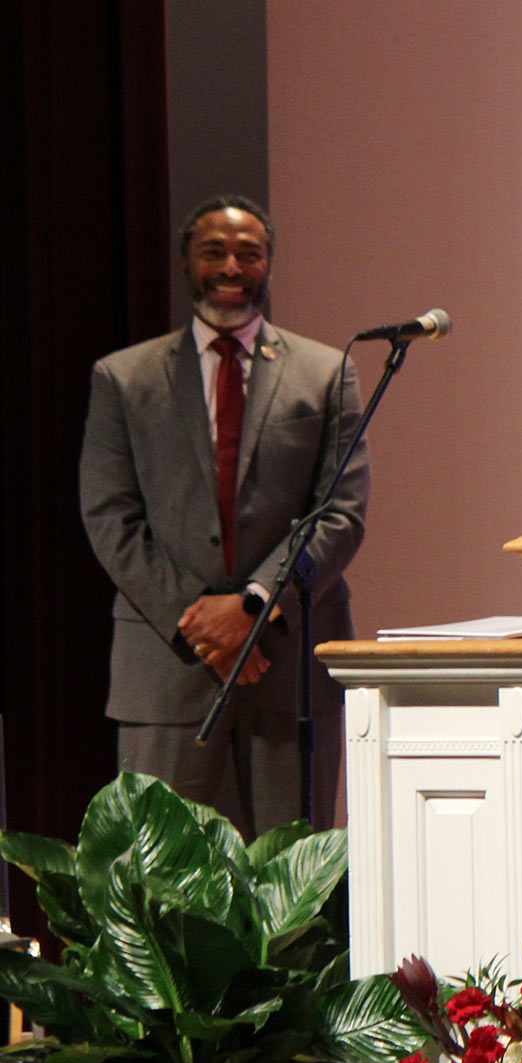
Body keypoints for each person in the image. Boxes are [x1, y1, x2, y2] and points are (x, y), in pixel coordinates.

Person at [78, 194, 369, 838]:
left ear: (269, 264)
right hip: (167, 669)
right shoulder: (124, 378)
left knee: (291, 900)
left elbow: (340, 513)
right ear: (187, 263)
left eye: (249, 253)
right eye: (214, 251)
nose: (231, 266)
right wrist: (202, 621)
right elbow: (110, 519)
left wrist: (255, 607)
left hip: (286, 671)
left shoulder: (326, 373)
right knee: (166, 891)